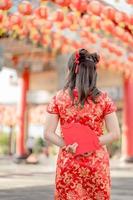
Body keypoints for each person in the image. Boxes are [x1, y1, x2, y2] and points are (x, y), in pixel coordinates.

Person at [44, 49, 120, 200]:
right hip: (96, 164)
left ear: (71, 70)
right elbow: (115, 134)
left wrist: (67, 145)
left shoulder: (59, 98)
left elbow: (48, 133)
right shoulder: (104, 99)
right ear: (93, 73)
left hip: (69, 162)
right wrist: (89, 144)